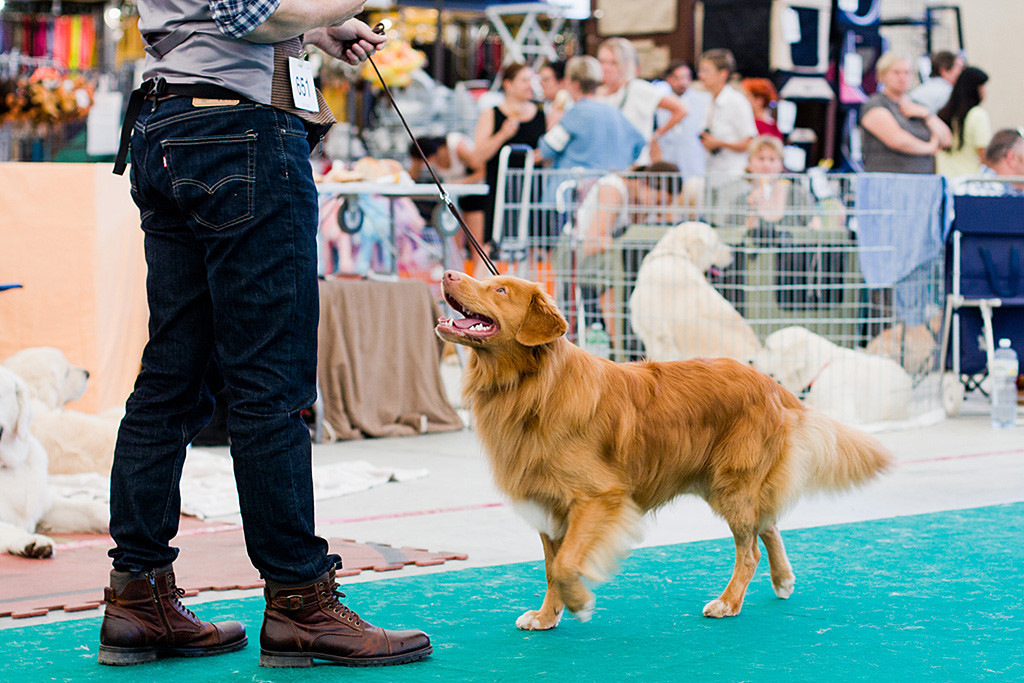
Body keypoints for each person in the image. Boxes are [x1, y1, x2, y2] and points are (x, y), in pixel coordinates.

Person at [101, 0, 432, 670]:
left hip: (167, 123)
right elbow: (248, 13)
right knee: (270, 385)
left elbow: (216, 14)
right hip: (240, 132)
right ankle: (299, 600)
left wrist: (316, 29)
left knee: (170, 377)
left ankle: (137, 596)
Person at [471, 62, 546, 275]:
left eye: (531, 79)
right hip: (500, 189)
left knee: (530, 246)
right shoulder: (492, 114)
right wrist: (503, 134)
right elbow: (478, 156)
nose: (529, 85)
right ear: (508, 84)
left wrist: (535, 157)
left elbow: (547, 153)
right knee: (491, 243)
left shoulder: (541, 114)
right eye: (524, 80)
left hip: (532, 190)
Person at [536, 55, 645, 172]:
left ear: (575, 84)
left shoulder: (575, 114)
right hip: (610, 183)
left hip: (573, 185)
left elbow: (546, 150)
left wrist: (553, 123)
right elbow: (638, 142)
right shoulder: (613, 112)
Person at [596, 37, 688, 165]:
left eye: (613, 63)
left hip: (635, 166)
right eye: (602, 61)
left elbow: (681, 109)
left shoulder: (637, 88)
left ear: (625, 64)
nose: (605, 67)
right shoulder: (596, 94)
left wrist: (655, 136)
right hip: (605, 164)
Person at [859, 52, 952, 174]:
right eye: (896, 72)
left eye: (907, 72)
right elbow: (898, 140)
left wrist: (927, 115)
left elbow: (946, 140)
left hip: (923, 182)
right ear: (882, 76)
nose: (902, 77)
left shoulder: (919, 106)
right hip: (888, 183)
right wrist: (929, 148)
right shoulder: (875, 104)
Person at [697, 49, 758, 183]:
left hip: (732, 177)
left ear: (722, 74)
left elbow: (750, 142)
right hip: (711, 174)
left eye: (706, 70)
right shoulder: (708, 101)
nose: (701, 75)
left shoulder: (736, 102)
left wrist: (720, 143)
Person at [652, 61, 711, 179]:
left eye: (685, 77)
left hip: (694, 164)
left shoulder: (703, 100)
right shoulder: (659, 102)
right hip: (669, 164)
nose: (682, 82)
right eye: (677, 78)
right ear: (668, 79)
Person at [936, 66, 992, 177]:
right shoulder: (978, 115)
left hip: (944, 181)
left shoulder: (943, 114)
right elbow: (984, 154)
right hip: (969, 182)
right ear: (976, 89)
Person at [910, 50, 964, 115]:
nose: (962, 73)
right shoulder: (947, 91)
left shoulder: (922, 87)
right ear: (944, 71)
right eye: (959, 68)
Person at [538, 59, 570, 127]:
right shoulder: (543, 106)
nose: (541, 84)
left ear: (562, 83)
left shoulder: (570, 108)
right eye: (541, 80)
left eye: (546, 80)